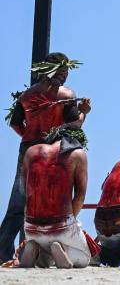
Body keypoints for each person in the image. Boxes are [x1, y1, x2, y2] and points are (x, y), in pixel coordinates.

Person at [0, 53, 90, 262]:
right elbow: (74, 124)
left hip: (28, 151)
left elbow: (15, 124)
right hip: (54, 153)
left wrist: (30, 138)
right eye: (63, 72)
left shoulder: (26, 95)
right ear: (56, 71)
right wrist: (84, 112)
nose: (65, 76)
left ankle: (5, 251)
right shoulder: (66, 94)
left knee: (19, 201)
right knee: (51, 199)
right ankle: (43, 253)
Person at [19, 135, 91, 268]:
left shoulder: (30, 152)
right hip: (60, 225)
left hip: (31, 227)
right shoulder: (78, 154)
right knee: (84, 258)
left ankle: (33, 246)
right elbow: (80, 196)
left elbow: (26, 189)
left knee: (45, 256)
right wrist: (71, 221)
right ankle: (61, 252)